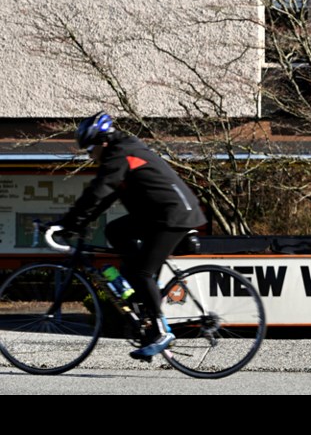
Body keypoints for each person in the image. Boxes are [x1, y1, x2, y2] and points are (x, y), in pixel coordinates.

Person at [58, 111, 208, 361]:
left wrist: (68, 223)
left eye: (90, 149)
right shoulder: (120, 154)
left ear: (103, 141)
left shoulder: (120, 153)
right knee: (115, 231)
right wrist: (75, 223)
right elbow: (105, 198)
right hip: (158, 214)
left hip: (173, 215)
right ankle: (144, 299)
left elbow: (99, 191)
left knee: (141, 272)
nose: (90, 155)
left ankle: (160, 331)